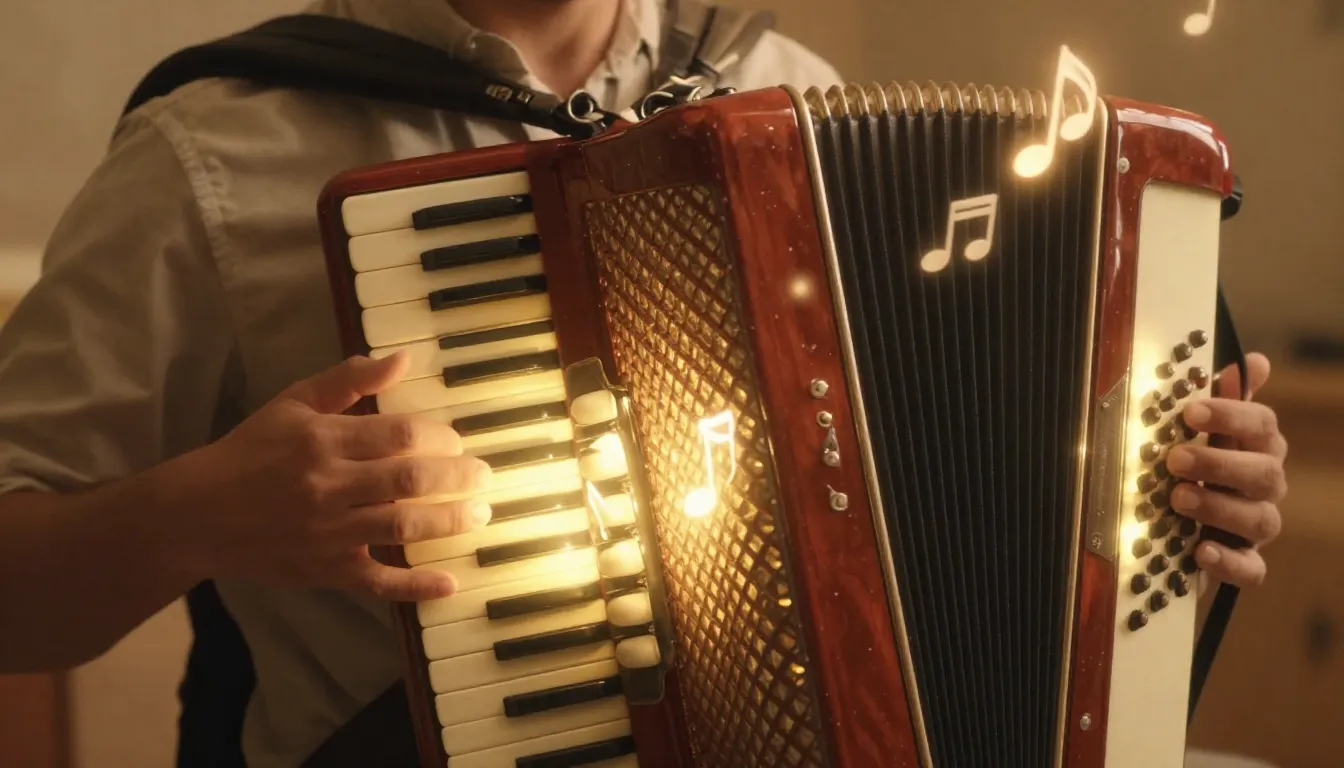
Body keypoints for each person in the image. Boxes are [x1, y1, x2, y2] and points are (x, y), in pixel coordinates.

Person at [0, 0, 1289, 766]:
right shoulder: (210, 151)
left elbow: (958, 455)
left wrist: (1172, 486)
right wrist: (204, 514)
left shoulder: (796, 94)